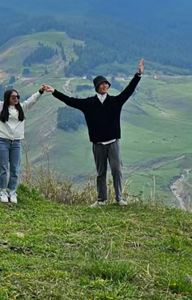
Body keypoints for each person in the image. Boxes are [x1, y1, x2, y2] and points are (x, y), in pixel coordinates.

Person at [43, 58, 144, 206]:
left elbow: (129, 90)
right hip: (98, 144)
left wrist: (138, 75)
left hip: (113, 142)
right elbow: (70, 101)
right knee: (101, 172)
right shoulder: (88, 103)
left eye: (106, 84)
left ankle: (119, 198)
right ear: (97, 87)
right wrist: (54, 92)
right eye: (102, 84)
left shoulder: (115, 101)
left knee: (117, 170)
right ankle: (102, 200)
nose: (105, 86)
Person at [0, 78, 45, 204]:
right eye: (13, 97)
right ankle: (3, 191)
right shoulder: (1, 107)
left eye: (17, 96)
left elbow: (32, 100)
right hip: (3, 142)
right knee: (3, 168)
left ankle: (12, 191)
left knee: (15, 169)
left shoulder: (22, 108)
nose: (16, 99)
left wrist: (40, 91)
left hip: (16, 143)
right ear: (8, 98)